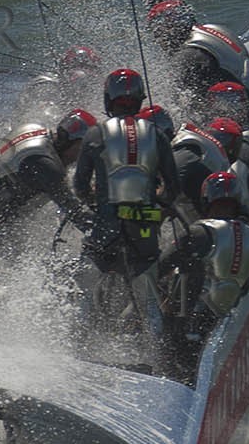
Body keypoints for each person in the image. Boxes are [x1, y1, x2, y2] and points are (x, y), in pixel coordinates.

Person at [73, 69, 179, 284]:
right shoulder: (157, 134)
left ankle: (80, 312)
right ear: (139, 100)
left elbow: (80, 185)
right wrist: (157, 207)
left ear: (108, 98)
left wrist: (94, 202)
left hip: (107, 226)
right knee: (148, 276)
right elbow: (174, 187)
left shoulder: (96, 133)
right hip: (145, 226)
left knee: (87, 273)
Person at [0, 108, 96, 262]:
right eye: (83, 150)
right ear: (70, 142)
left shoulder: (35, 129)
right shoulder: (44, 166)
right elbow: (75, 212)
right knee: (33, 269)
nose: (84, 157)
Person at [157, 169, 249, 365]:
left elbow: (161, 266)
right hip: (216, 324)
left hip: (184, 321)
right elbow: (245, 287)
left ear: (206, 198)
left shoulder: (201, 232)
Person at [147, 0, 249, 146]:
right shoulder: (213, 30)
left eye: (158, 33)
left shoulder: (188, 57)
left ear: (169, 31)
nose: (158, 40)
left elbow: (184, 104)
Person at [11, 44, 105, 126]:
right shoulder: (47, 88)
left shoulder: (102, 94)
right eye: (75, 68)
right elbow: (28, 115)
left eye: (87, 68)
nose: (80, 76)